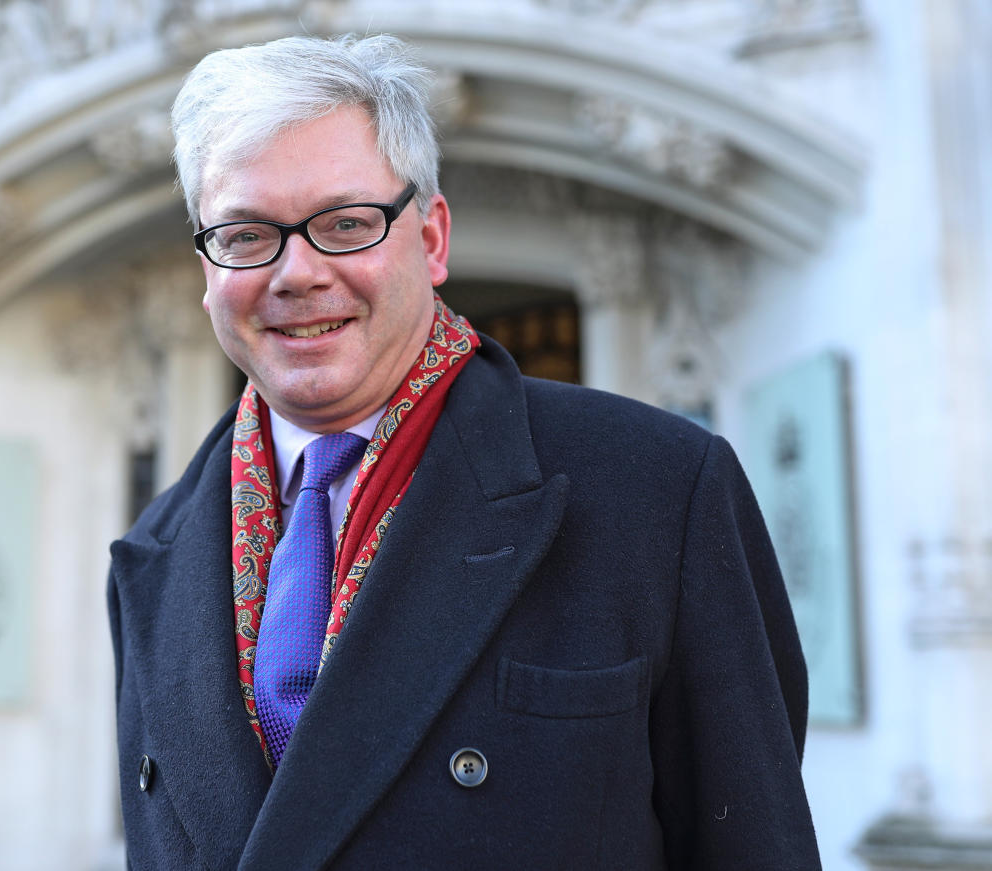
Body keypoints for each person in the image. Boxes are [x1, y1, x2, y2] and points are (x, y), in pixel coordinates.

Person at [107, 33, 820, 871]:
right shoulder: (154, 549)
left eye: (345, 223)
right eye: (245, 234)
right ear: (207, 269)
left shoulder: (660, 492)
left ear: (433, 238)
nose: (295, 272)